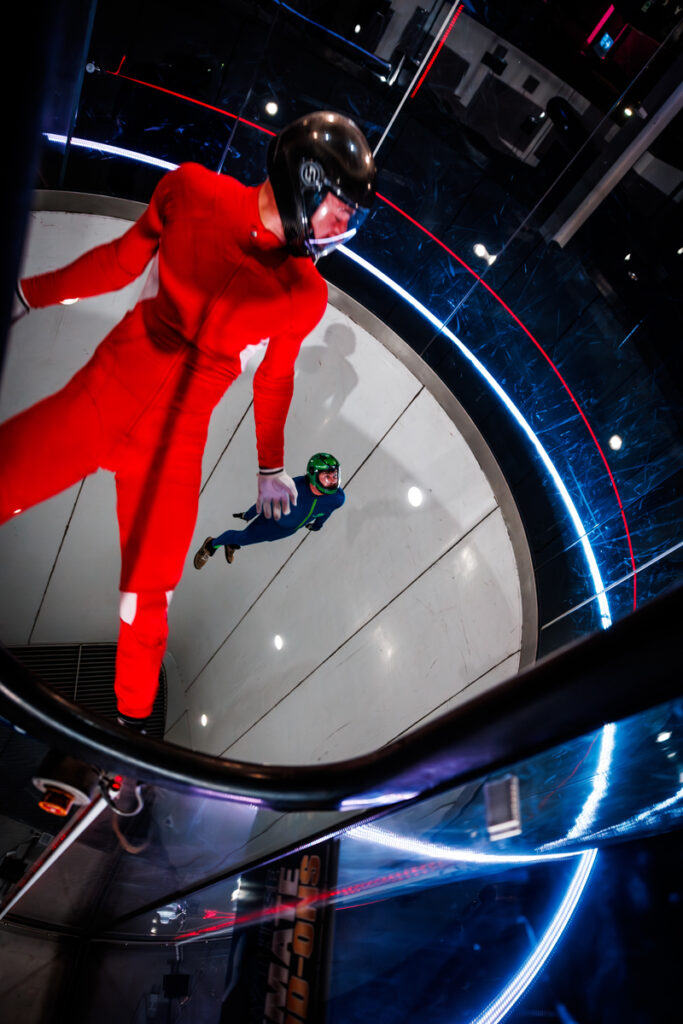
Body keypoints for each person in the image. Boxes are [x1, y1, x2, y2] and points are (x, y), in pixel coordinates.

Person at [1, 111, 376, 730]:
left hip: (172, 451)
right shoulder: (192, 190)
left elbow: (274, 378)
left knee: (146, 611)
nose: (344, 227)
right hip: (103, 395)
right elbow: (122, 260)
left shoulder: (305, 293)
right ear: (303, 183)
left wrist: (271, 470)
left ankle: (124, 753)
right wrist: (26, 294)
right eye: (340, 208)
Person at [193, 452, 344, 568]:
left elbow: (328, 510)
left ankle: (232, 545)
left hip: (288, 530)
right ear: (314, 475)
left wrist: (318, 525)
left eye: (334, 475)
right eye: (327, 476)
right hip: (271, 521)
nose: (333, 480)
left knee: (253, 539)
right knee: (243, 537)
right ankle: (212, 545)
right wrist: (249, 514)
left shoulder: (337, 498)